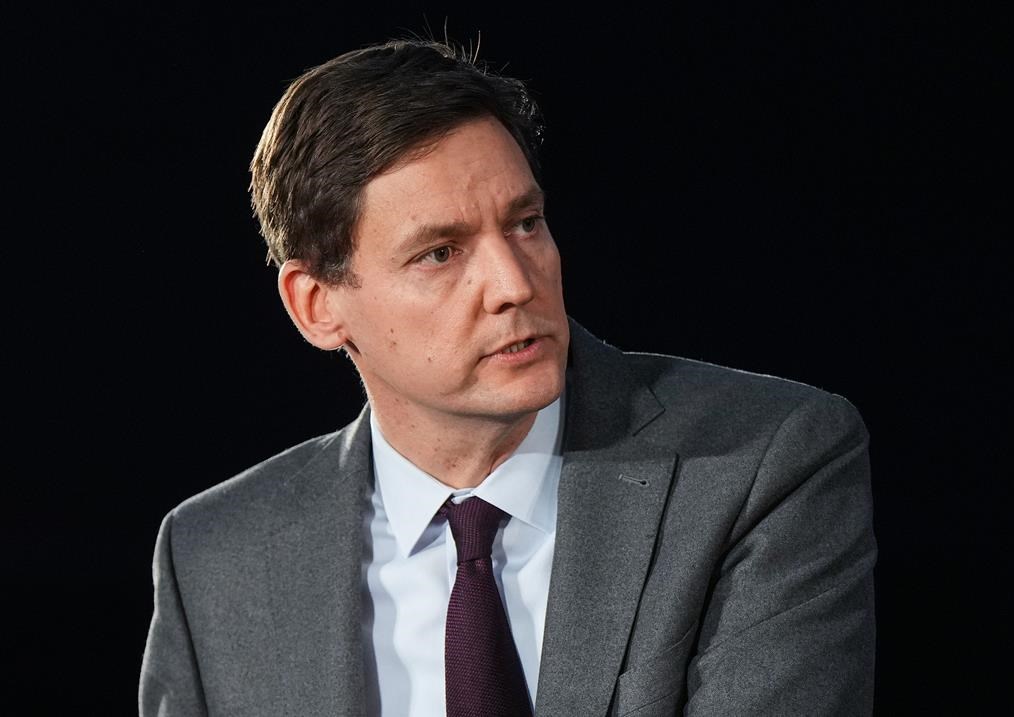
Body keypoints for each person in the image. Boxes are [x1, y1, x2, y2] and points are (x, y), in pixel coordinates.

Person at [139, 39, 876, 716]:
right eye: (440, 253)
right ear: (317, 305)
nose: (513, 282)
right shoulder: (214, 557)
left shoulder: (764, 464)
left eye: (525, 223)